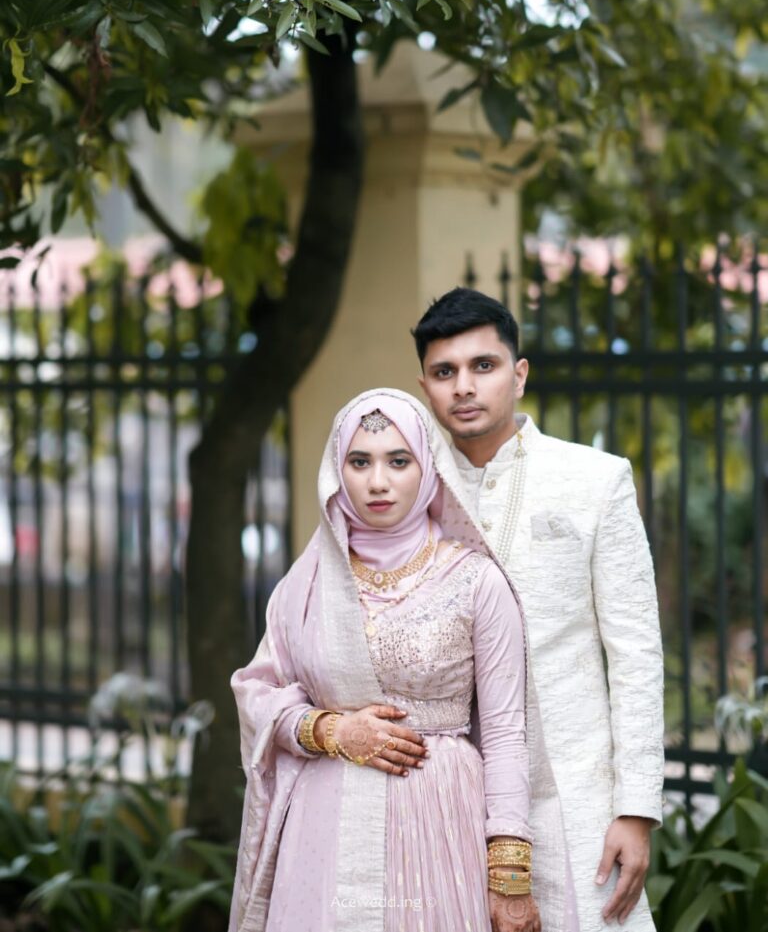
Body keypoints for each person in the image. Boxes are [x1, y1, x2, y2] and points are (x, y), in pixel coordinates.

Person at [228, 389, 579, 932]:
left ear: (429, 467)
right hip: (325, 826)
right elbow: (259, 690)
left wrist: (508, 875)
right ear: (337, 471)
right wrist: (328, 729)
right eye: (359, 462)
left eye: (398, 460)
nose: (377, 481)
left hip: (439, 821)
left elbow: (508, 730)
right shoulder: (308, 582)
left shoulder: (476, 580)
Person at [412, 289, 665, 932]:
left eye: (484, 366)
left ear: (519, 374)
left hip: (573, 799)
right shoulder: (407, 489)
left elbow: (635, 653)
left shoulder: (594, 481)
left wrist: (634, 809)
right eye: (445, 373)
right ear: (424, 386)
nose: (464, 387)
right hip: (444, 799)